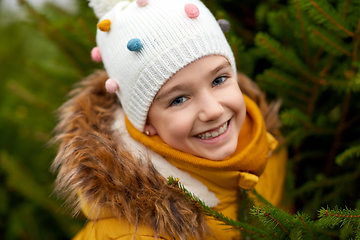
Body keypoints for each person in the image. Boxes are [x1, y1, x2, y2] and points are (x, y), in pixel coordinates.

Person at [52, 0, 287, 239]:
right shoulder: (135, 233)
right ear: (146, 123)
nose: (213, 110)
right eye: (179, 100)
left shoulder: (267, 149)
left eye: (219, 80)